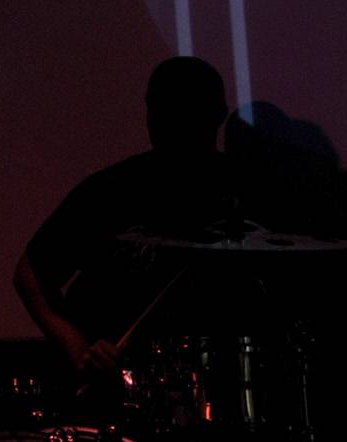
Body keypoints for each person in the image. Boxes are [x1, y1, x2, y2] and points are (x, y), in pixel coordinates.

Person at [13, 56, 235, 378]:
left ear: (215, 115)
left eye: (183, 110)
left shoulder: (241, 191)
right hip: (119, 388)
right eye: (160, 109)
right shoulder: (112, 190)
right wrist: (82, 350)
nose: (166, 120)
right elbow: (30, 275)